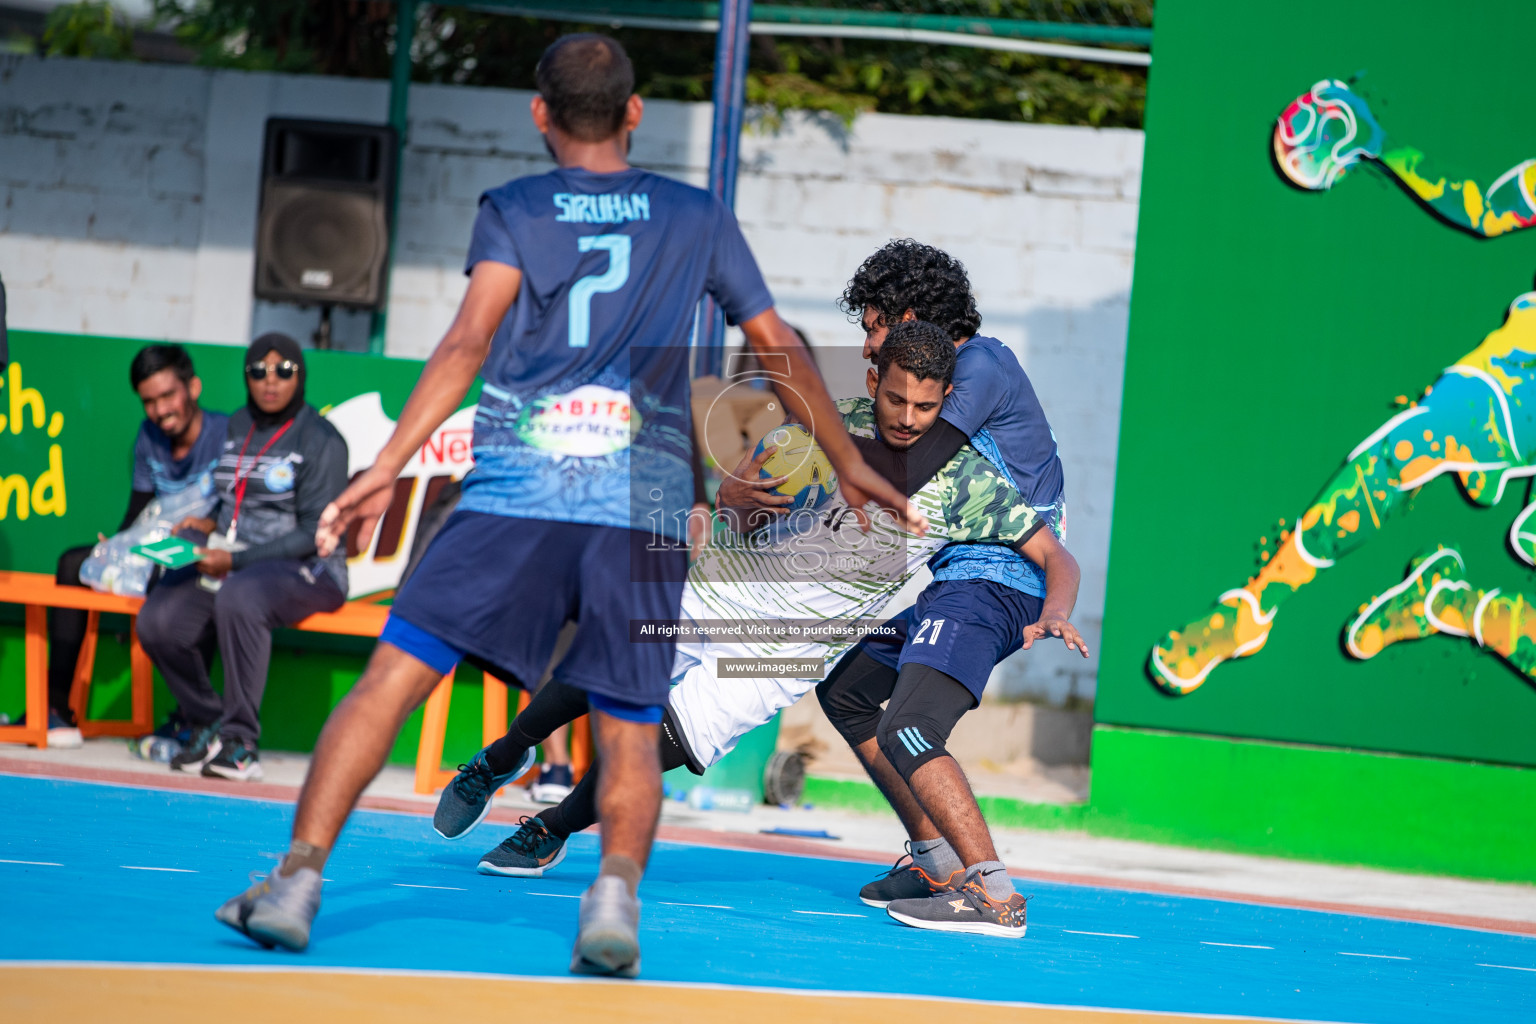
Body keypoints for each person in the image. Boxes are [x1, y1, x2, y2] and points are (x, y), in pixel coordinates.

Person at [211, 33, 918, 976]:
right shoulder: (695, 215)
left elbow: (467, 343)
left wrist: (386, 465)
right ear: (633, 114)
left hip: (517, 492)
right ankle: (613, 900)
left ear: (539, 114)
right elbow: (777, 341)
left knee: (394, 677)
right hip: (639, 504)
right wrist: (849, 461)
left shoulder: (514, 209)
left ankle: (297, 880)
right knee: (628, 717)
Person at [445, 324, 1083, 942]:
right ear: (872, 381)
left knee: (650, 746)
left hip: (785, 649)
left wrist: (1055, 610)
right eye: (895, 398)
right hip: (719, 589)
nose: (909, 416)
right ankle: (501, 756)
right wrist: (737, 501)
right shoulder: (831, 427)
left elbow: (1057, 555)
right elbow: (738, 499)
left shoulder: (969, 482)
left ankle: (551, 828)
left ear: (945, 402)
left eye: (926, 405)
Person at [723, 241, 1075, 918]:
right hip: (962, 576)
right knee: (847, 690)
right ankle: (936, 860)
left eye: (872, 326)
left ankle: (990, 891)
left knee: (909, 729)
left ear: (911, 315)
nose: (866, 347)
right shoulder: (961, 366)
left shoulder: (979, 368)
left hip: (995, 580)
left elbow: (900, 470)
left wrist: (794, 449)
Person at [1153, 79, 1536, 693]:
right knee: (1411, 446)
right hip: (1522, 378)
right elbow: (1485, 207)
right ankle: (1249, 611)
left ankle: (1448, 605)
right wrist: (1378, 144)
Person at [134, 334, 348, 782]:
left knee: (240, 595)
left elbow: (313, 534)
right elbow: (231, 497)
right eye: (258, 371)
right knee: (158, 621)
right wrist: (206, 522)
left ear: (300, 374)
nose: (270, 381)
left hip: (308, 569)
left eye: (283, 370)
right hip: (235, 561)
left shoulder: (321, 439)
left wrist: (235, 562)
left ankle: (240, 743)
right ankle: (208, 720)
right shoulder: (237, 425)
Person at [44, 345, 227, 747]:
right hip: (157, 553)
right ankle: (55, 709)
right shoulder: (148, 437)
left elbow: (237, 516)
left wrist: (208, 526)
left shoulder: (225, 436)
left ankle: (192, 720)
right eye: (149, 401)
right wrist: (116, 549)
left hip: (204, 558)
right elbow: (138, 513)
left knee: (197, 578)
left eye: (167, 396)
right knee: (73, 564)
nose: (160, 411)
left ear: (192, 387)